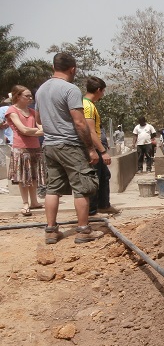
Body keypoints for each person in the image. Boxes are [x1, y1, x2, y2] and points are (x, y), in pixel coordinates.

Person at [35, 52, 103, 244]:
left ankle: (51, 231)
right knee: (82, 188)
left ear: (53, 67)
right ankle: (83, 231)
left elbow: (38, 119)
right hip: (70, 145)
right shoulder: (70, 89)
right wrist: (90, 149)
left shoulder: (41, 90)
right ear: (73, 69)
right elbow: (80, 123)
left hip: (50, 145)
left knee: (52, 189)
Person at [4, 85, 46, 216]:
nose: (30, 98)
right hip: (21, 148)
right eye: (27, 96)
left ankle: (34, 201)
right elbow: (23, 130)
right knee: (23, 178)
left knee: (33, 176)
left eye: (30, 96)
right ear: (18, 96)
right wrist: (36, 131)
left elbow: (41, 128)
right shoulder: (12, 110)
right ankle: (25, 203)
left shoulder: (32, 112)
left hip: (35, 147)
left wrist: (32, 131)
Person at [83, 76, 120, 215]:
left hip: (97, 147)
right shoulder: (87, 106)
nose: (103, 94)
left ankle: (103, 205)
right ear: (98, 90)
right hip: (93, 148)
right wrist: (102, 151)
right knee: (95, 178)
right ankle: (92, 211)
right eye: (103, 91)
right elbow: (91, 131)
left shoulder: (90, 105)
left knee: (104, 175)